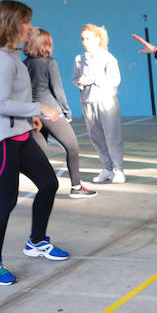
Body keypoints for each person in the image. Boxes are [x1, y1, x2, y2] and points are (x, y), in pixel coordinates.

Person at [0, 0, 69, 286]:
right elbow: (0, 103)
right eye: (27, 22)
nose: (31, 27)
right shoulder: (0, 60)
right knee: (5, 203)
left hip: (19, 135)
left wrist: (30, 118)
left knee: (49, 183)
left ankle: (37, 241)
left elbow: (15, 98)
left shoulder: (10, 55)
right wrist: (40, 109)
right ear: (13, 25)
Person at [23, 28, 96, 198]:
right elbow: (58, 90)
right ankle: (76, 187)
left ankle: (43, 187)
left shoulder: (25, 63)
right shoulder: (49, 62)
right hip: (50, 112)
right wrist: (67, 110)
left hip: (34, 114)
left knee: (39, 153)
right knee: (72, 147)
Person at [73, 24, 125, 183]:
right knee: (96, 137)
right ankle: (107, 168)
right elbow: (75, 78)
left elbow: (115, 80)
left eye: (88, 38)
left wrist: (94, 79)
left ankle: (119, 169)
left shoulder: (108, 58)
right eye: (82, 38)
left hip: (106, 101)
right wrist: (79, 82)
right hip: (87, 101)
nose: (84, 42)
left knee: (112, 136)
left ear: (97, 39)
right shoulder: (79, 59)